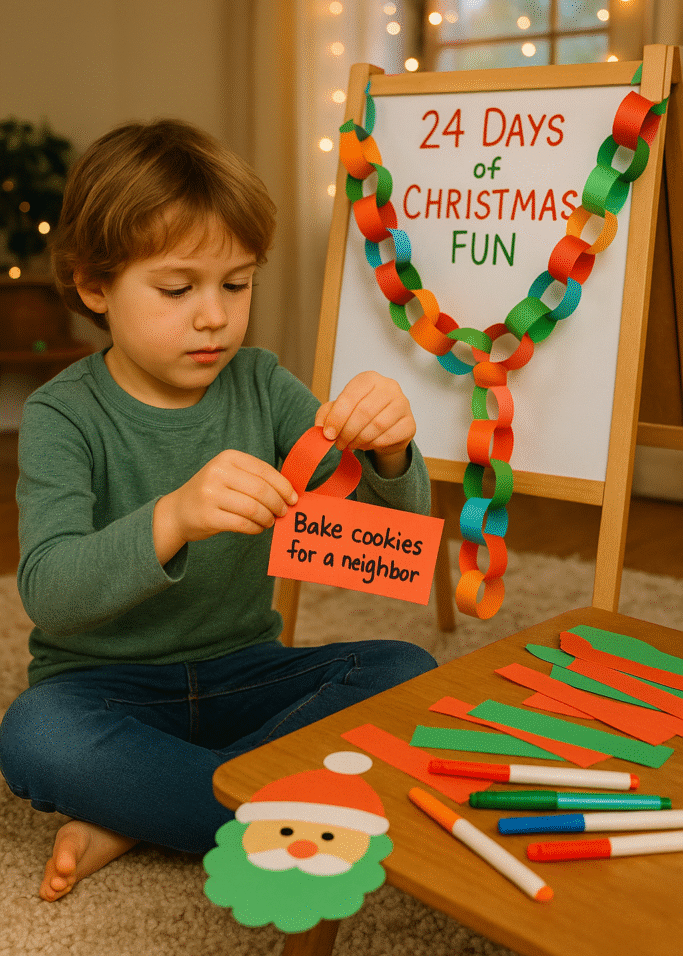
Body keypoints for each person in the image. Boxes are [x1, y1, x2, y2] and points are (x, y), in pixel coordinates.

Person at [0, 118, 437, 902]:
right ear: (94, 286)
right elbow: (50, 592)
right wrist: (172, 517)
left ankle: (145, 810)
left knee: (405, 674)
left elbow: (385, 539)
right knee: (36, 736)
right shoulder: (62, 414)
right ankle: (274, 811)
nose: (214, 316)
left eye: (236, 286)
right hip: (105, 689)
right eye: (177, 289)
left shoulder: (262, 384)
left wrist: (389, 452)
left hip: (247, 675)